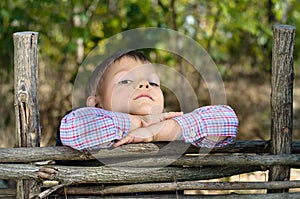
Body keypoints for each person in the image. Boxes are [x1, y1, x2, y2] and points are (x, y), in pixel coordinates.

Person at [57, 49, 238, 151]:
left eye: (153, 82)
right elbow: (74, 128)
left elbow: (227, 120)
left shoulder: (174, 127)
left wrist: (157, 131)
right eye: (126, 80)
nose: (144, 84)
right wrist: (139, 123)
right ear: (97, 104)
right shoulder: (86, 123)